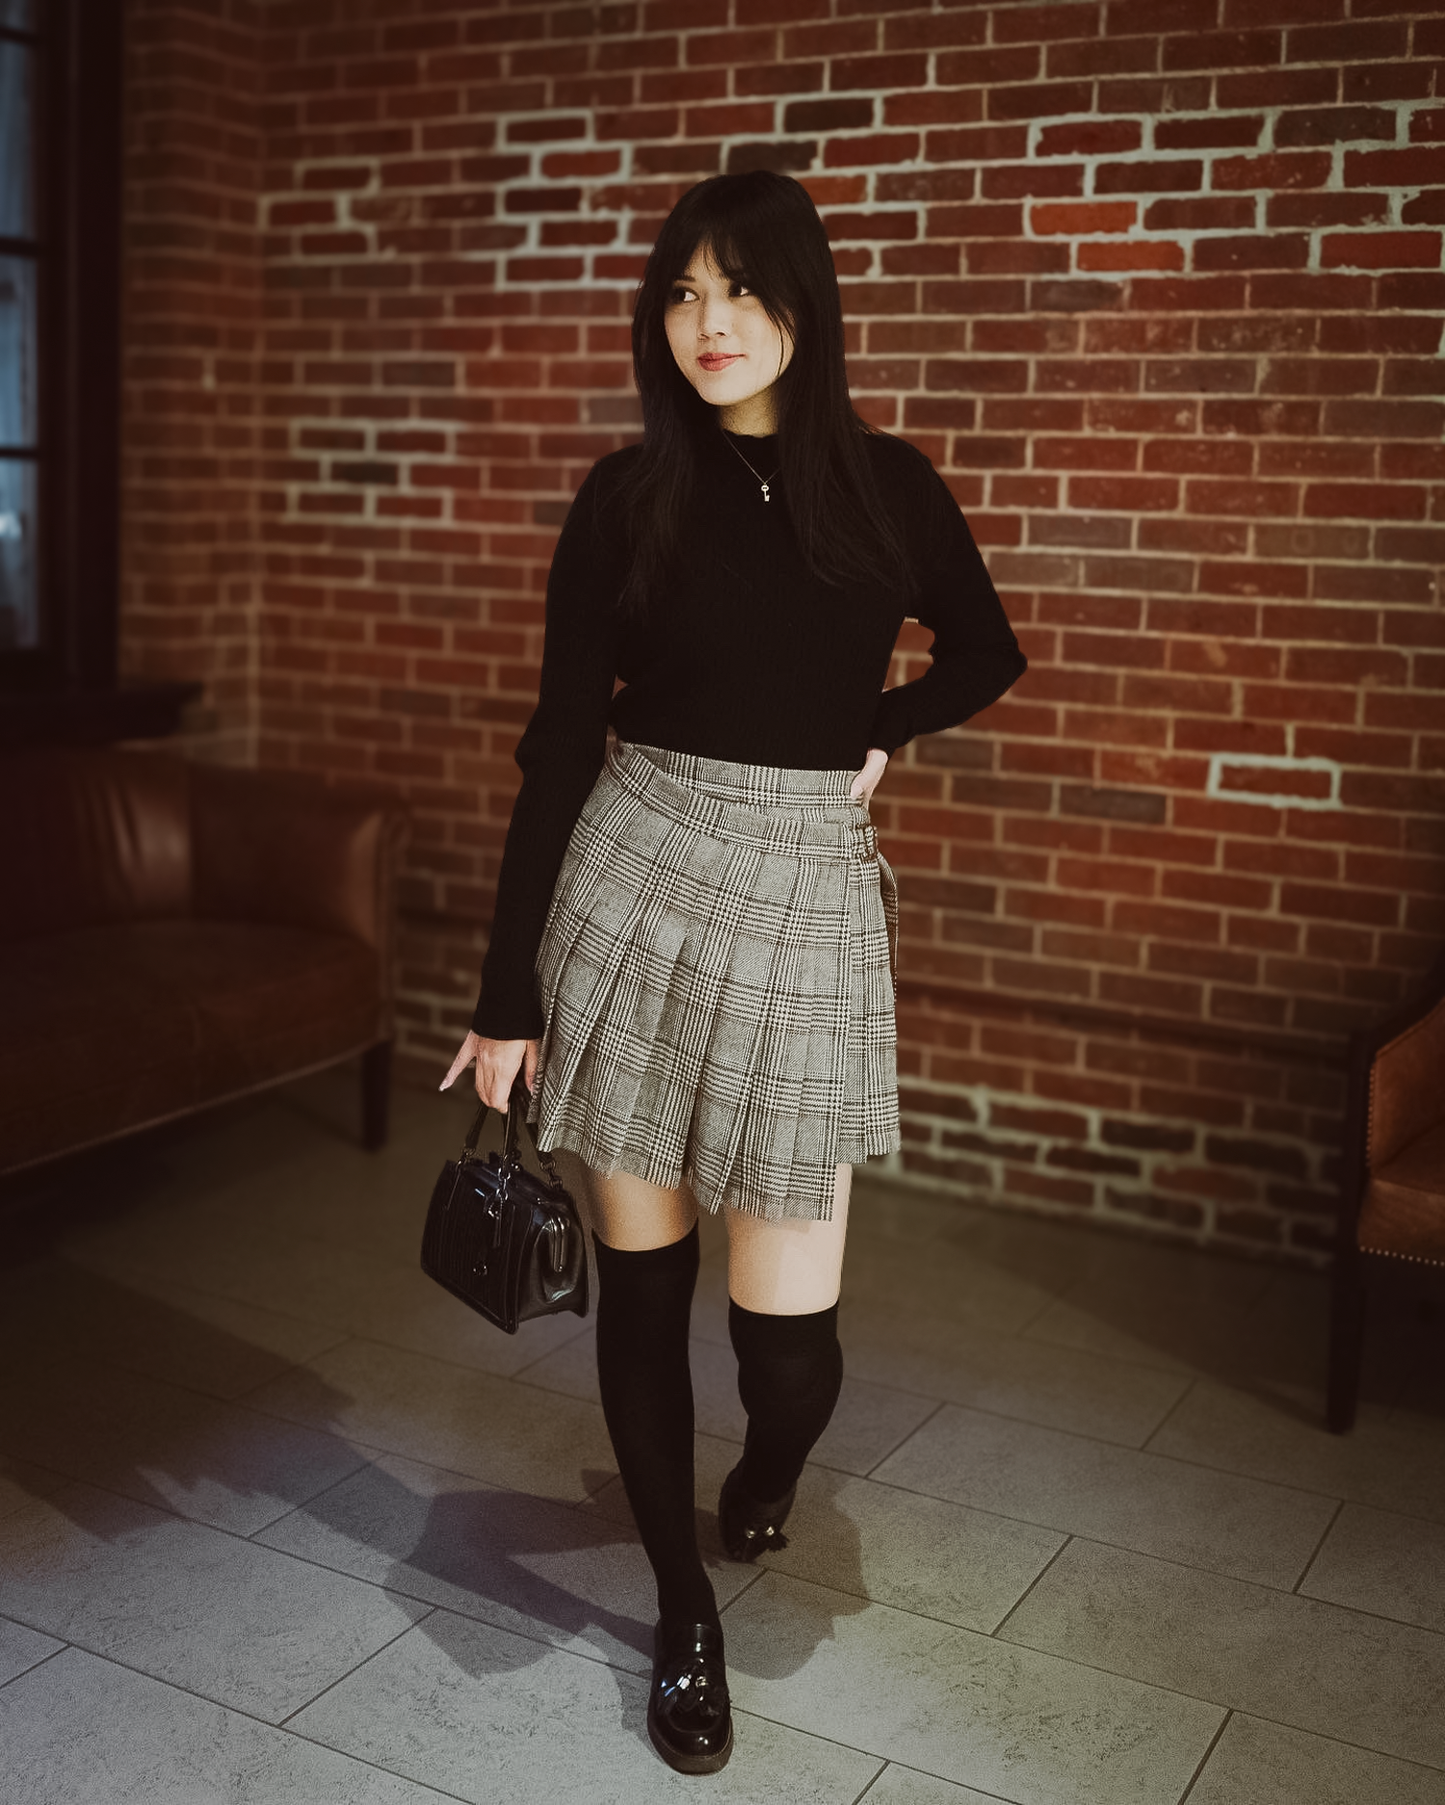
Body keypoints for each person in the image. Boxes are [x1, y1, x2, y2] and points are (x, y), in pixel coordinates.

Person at [442, 169, 1026, 1775]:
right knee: (645, 1282)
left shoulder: (890, 488)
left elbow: (987, 648)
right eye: (681, 294)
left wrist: (874, 734)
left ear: (803, 304)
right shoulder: (625, 499)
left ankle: (762, 1476)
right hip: (630, 887)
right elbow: (560, 743)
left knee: (789, 1342)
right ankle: (682, 1608)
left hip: (802, 908)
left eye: (739, 290)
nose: (707, 324)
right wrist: (506, 994)